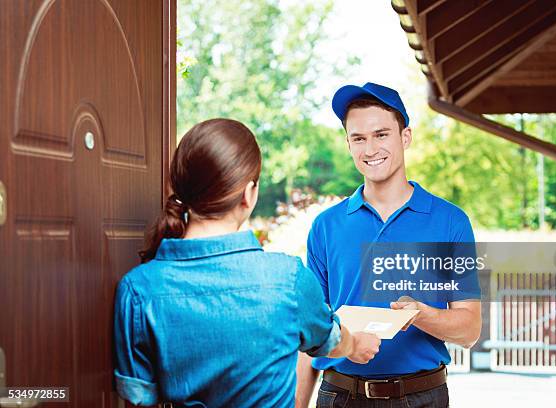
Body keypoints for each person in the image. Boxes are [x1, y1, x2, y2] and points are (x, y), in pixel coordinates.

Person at [113, 118, 381, 407]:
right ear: (248, 194)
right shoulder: (288, 279)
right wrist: (354, 344)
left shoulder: (137, 289)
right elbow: (327, 340)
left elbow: (139, 396)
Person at [295, 83, 482, 407]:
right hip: (340, 396)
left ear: (404, 137)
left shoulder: (451, 222)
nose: (370, 149)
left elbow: (469, 329)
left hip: (422, 397)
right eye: (359, 138)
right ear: (348, 144)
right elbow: (312, 330)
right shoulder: (326, 226)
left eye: (381, 135)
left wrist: (423, 316)